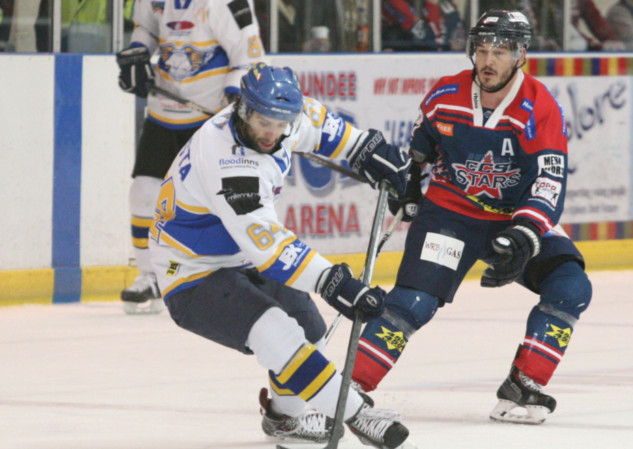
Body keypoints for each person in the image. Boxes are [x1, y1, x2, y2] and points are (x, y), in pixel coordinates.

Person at [148, 62, 415, 448]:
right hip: (190, 270)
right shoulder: (229, 163)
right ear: (242, 109)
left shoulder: (283, 117)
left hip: (238, 255)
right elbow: (269, 247)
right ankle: (358, 415)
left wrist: (366, 150)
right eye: (263, 122)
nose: (272, 133)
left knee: (309, 329)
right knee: (277, 332)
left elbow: (327, 129)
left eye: (281, 124)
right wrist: (333, 282)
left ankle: (284, 419)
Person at [350, 9, 592, 425]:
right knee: (412, 303)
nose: (488, 61)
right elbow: (421, 146)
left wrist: (525, 233)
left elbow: (549, 183)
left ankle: (523, 382)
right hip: (450, 216)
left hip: (514, 218)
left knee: (571, 286)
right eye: (482, 49)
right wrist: (410, 184)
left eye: (500, 51)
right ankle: (349, 387)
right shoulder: (445, 95)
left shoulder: (540, 107)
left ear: (521, 55)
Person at [115, 0, 266, 314]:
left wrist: (237, 98)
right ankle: (151, 276)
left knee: (224, 201)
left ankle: (243, 269)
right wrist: (138, 52)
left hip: (209, 121)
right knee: (143, 193)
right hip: (163, 113)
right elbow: (145, 27)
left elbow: (248, 55)